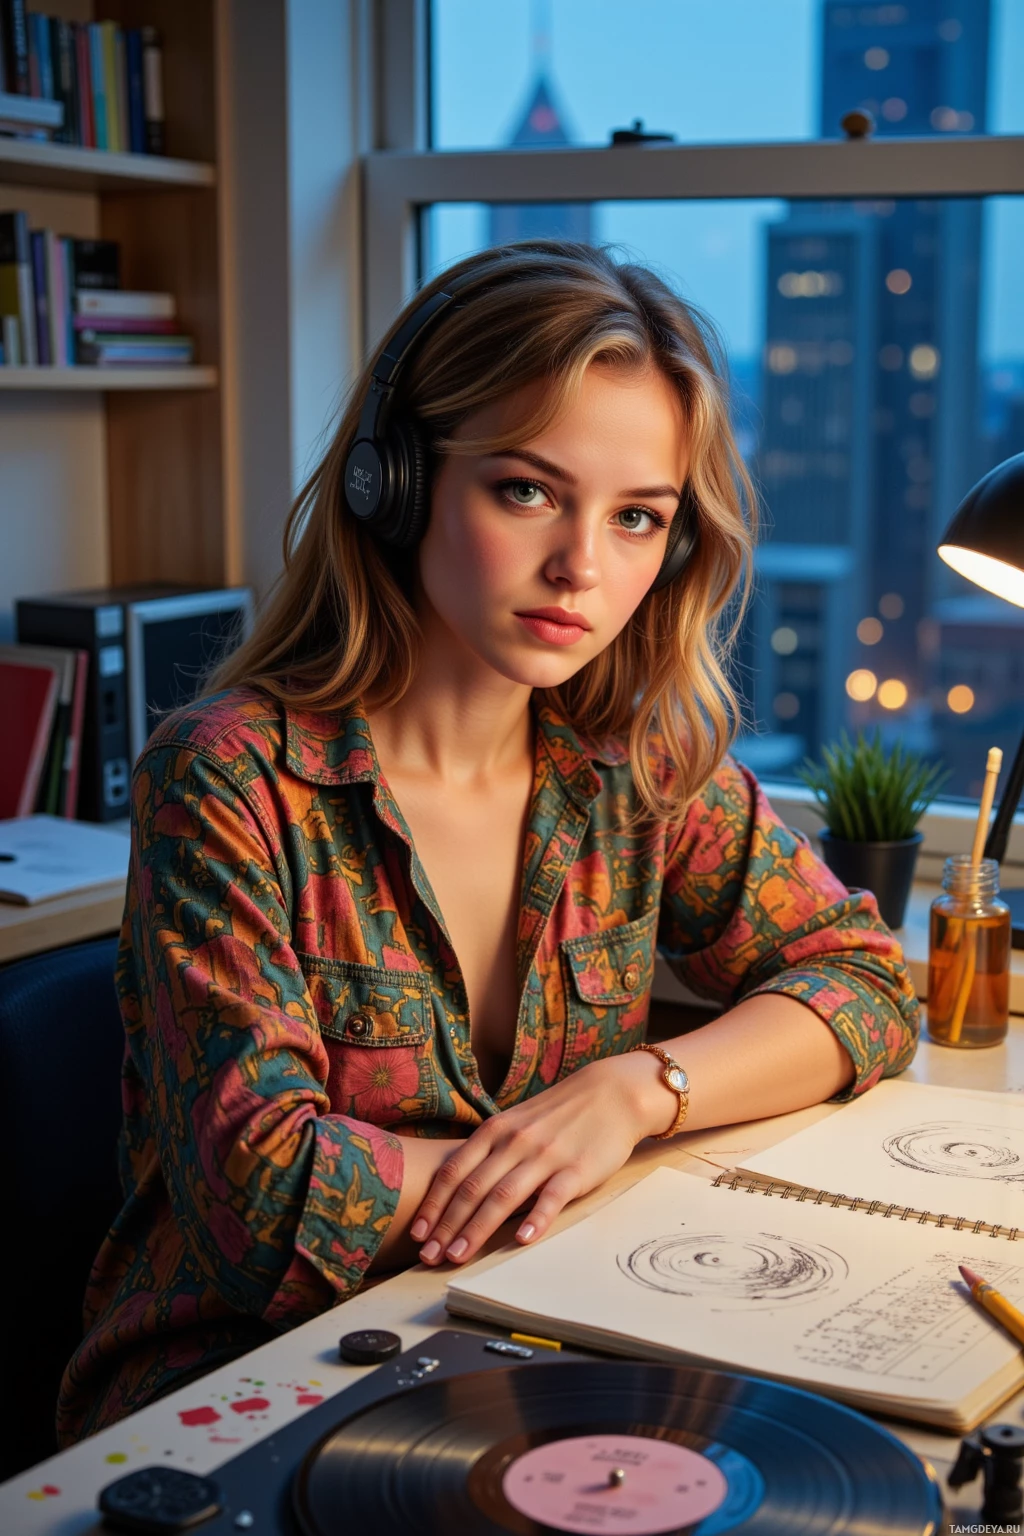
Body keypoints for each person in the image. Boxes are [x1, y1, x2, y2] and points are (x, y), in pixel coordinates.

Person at [57, 241, 918, 1443]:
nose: (582, 567)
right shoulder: (228, 774)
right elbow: (267, 1197)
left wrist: (636, 1093)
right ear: (392, 483)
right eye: (526, 490)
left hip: (529, 1340)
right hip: (239, 1388)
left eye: (635, 519)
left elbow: (864, 984)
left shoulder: (639, 757)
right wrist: (565, 1176)